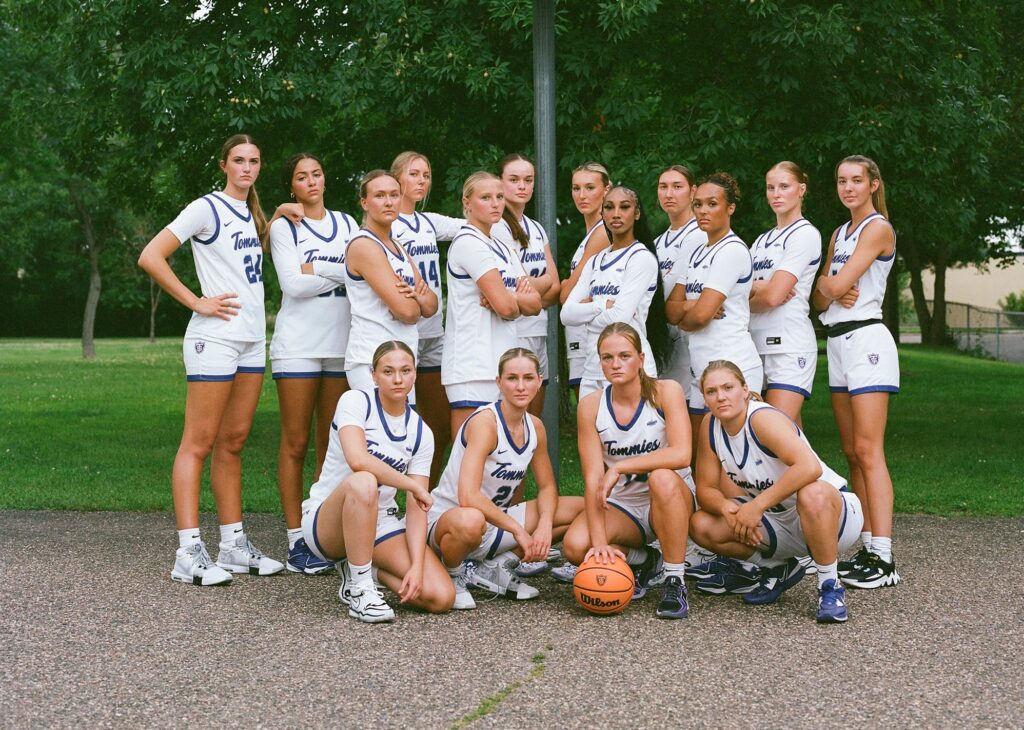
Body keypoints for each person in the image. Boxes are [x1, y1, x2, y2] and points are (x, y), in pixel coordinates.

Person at [138, 133, 283, 585]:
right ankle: (188, 551)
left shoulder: (252, 212)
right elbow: (151, 256)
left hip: (250, 341)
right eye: (238, 160)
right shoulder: (207, 208)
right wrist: (196, 301)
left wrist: (280, 214)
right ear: (224, 165)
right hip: (214, 339)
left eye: (254, 161)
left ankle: (234, 545)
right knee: (197, 443)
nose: (246, 167)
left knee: (234, 441)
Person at [688, 360, 864, 622]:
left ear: (745, 390)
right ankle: (778, 569)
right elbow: (705, 489)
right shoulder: (710, 426)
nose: (721, 396)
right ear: (704, 397)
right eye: (712, 391)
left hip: (833, 515)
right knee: (701, 524)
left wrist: (755, 507)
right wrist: (729, 509)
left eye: (728, 387)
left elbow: (809, 467)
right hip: (779, 520)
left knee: (811, 493)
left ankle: (829, 587)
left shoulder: (762, 418)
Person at [300, 341, 454, 623]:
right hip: (327, 522)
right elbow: (358, 460)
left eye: (405, 370)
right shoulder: (356, 402)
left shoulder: (421, 432)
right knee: (364, 481)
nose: (398, 379)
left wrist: (417, 565)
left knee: (441, 596)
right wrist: (410, 484)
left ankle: (366, 570)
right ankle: (359, 592)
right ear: (373, 374)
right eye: (388, 371)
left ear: (415, 374)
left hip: (379, 521)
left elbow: (417, 505)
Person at [427, 348, 584, 608]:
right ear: (499, 382)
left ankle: (492, 566)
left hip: (494, 521)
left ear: (539, 382)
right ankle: (454, 572)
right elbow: (468, 496)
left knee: (581, 508)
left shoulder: (535, 426)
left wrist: (545, 525)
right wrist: (518, 530)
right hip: (451, 521)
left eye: (528, 378)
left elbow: (546, 488)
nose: (520, 386)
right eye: (512, 378)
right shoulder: (485, 424)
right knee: (471, 520)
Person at [560, 323, 695, 619]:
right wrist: (598, 545)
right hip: (627, 507)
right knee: (575, 546)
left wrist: (620, 466)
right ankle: (647, 560)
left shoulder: (665, 391)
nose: (615, 364)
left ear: (641, 358)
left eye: (624, 355)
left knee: (661, 476)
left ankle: (675, 580)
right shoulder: (591, 406)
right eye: (607, 358)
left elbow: (682, 455)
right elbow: (594, 478)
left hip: (671, 497)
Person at [811, 155, 900, 589]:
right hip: (838, 342)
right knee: (850, 451)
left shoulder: (878, 228)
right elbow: (819, 296)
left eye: (856, 181)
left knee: (869, 450)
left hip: (867, 340)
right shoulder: (839, 232)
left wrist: (832, 285)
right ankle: (866, 547)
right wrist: (831, 287)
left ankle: (883, 558)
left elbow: (836, 282)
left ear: (873, 185)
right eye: (842, 181)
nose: (848, 188)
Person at [268, 152, 358, 575]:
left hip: (342, 343)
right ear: (292, 186)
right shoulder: (284, 225)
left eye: (317, 174)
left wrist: (320, 266)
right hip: (299, 345)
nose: (311, 182)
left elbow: (359, 270)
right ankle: (294, 538)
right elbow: (293, 285)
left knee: (331, 444)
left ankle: (319, 531)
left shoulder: (347, 224)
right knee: (296, 442)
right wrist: (342, 270)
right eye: (302, 177)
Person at [666, 172, 763, 464]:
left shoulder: (732, 250)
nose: (703, 211)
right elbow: (671, 310)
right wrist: (692, 308)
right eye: (698, 205)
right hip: (701, 372)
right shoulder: (696, 252)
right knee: (702, 459)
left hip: (733, 366)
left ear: (730, 207)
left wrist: (690, 312)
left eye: (712, 204)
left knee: (740, 462)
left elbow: (699, 317)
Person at [442, 172, 541, 439]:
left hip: (502, 362)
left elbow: (534, 303)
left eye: (499, 197)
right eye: (485, 198)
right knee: (472, 457)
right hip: (472, 366)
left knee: (510, 451)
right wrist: (510, 300)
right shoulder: (468, 243)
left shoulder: (502, 246)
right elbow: (507, 309)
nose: (496, 204)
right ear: (467, 202)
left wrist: (510, 298)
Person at [390, 151, 463, 484]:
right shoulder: (387, 222)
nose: (421, 180)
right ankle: (391, 501)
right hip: (401, 333)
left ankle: (426, 497)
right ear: (397, 178)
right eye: (414, 174)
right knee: (398, 425)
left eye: (426, 175)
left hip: (434, 331)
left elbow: (472, 225)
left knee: (439, 424)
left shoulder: (428, 222)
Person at [561, 186, 670, 398]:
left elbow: (619, 318)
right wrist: (602, 306)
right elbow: (566, 315)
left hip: (632, 368)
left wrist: (585, 314)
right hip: (593, 367)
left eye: (625, 207)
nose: (616, 214)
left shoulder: (641, 258)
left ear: (637, 213)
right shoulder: (595, 260)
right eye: (609, 208)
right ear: (602, 213)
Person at [344, 170, 437, 396]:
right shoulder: (364, 245)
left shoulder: (397, 246)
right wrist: (416, 299)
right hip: (372, 359)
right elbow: (408, 312)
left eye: (394, 195)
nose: (388, 202)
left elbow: (432, 306)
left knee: (402, 430)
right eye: (380, 195)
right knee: (377, 431)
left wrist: (415, 299)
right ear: (365, 203)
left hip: (402, 358)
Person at [748, 162, 822, 426]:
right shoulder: (761, 241)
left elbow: (773, 297)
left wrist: (758, 293)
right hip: (755, 344)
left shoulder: (804, 235)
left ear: (801, 189)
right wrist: (759, 287)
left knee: (774, 433)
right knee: (788, 438)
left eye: (784, 186)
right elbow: (742, 290)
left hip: (788, 345)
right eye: (770, 187)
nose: (776, 194)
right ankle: (811, 469)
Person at [492, 153, 560, 416]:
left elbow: (555, 289)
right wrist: (536, 286)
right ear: (500, 182)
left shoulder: (537, 228)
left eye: (528, 180)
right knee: (510, 417)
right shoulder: (498, 227)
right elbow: (510, 287)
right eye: (514, 179)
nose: (522, 186)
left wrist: (530, 290)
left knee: (533, 420)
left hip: (537, 329)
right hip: (511, 333)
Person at [654, 164, 708, 396]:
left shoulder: (699, 234)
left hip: (689, 335)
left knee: (687, 406)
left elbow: (667, 290)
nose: (669, 194)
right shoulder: (658, 242)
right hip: (664, 334)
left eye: (677, 187)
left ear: (693, 191)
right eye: (663, 187)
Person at [560, 162, 612, 400]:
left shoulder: (603, 232)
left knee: (595, 415)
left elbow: (564, 295)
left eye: (590, 187)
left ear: (606, 189)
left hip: (594, 337)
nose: (581, 195)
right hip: (579, 334)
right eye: (576, 188)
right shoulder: (590, 234)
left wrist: (566, 285)